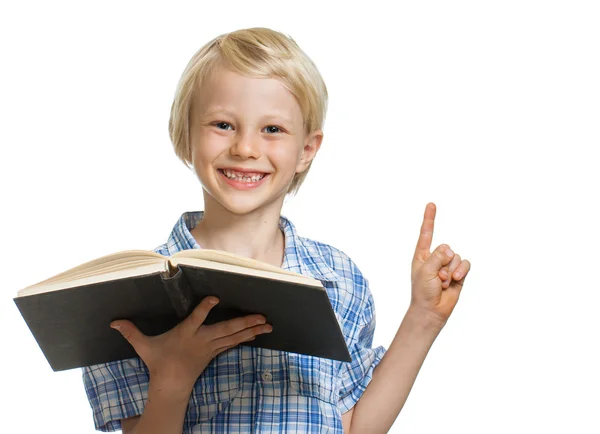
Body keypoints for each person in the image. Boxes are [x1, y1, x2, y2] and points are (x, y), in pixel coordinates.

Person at [82, 27, 471, 434]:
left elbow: (355, 428)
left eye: (272, 130)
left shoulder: (341, 280)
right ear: (184, 137)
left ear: (307, 150)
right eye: (222, 124)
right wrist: (172, 377)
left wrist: (423, 318)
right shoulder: (132, 297)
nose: (246, 148)